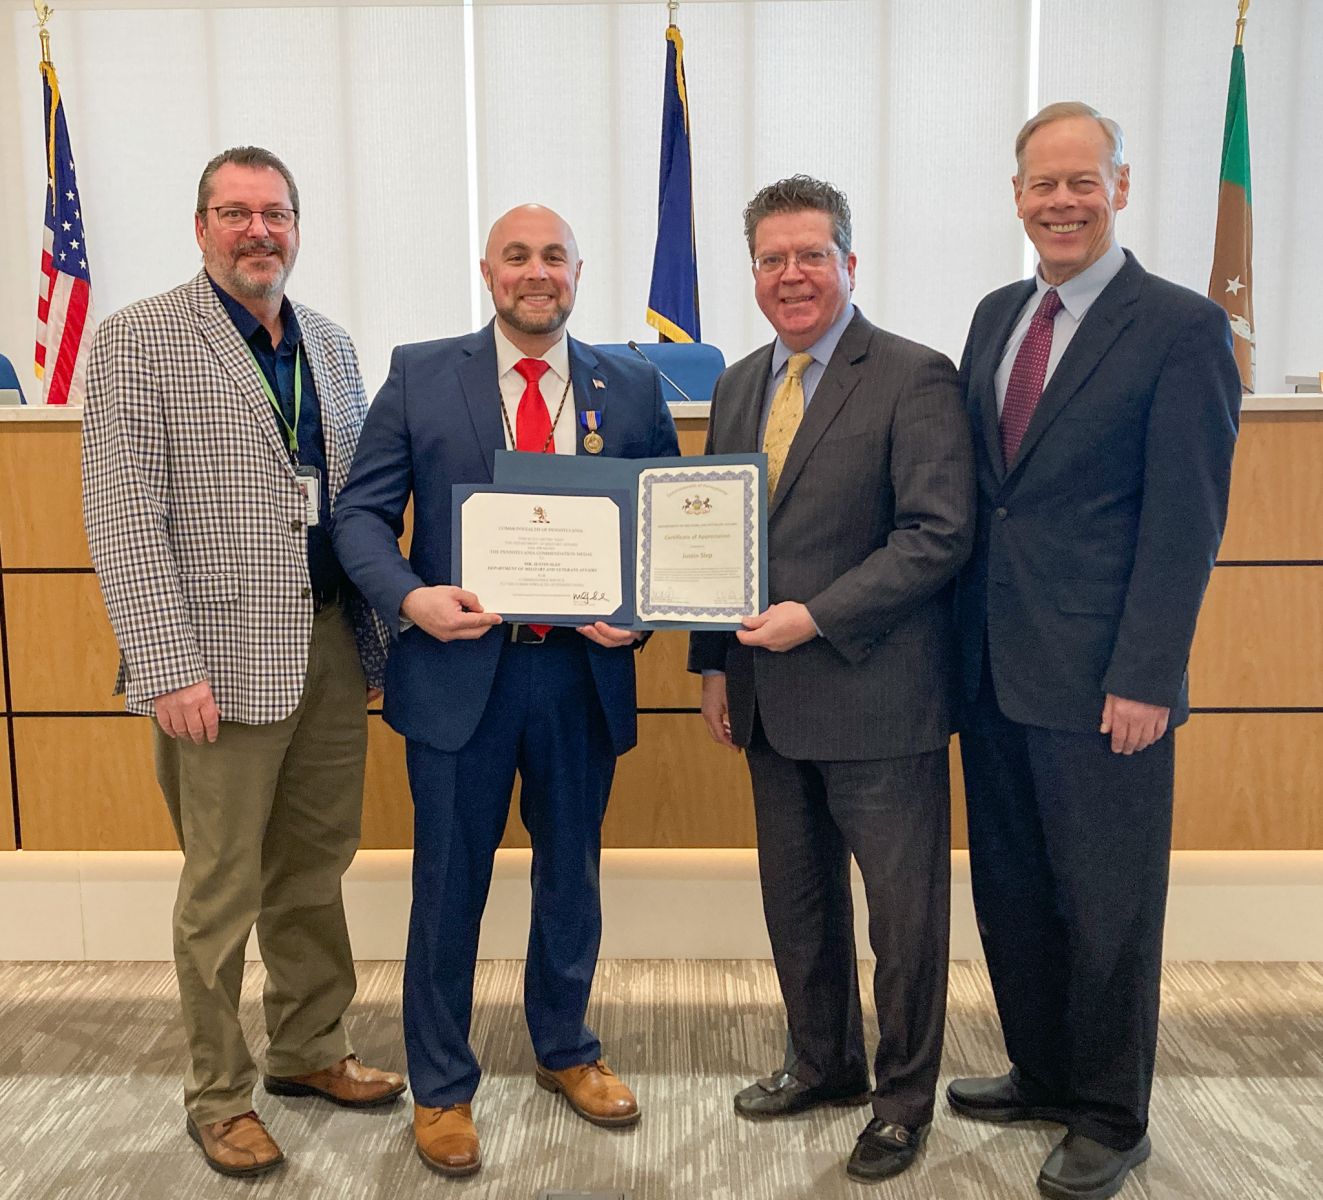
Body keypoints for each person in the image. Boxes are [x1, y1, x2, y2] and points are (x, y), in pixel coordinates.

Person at [332, 204, 679, 1177]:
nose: (537, 272)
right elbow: (360, 516)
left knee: (573, 875)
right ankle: (443, 1085)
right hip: (458, 675)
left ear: (578, 271)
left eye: (554, 257)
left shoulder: (633, 384)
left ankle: (565, 1048)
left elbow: (669, 527)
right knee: (450, 889)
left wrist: (642, 611)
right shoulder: (420, 373)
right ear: (488, 271)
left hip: (578, 677)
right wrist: (412, 599)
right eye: (517, 256)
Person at [81, 146, 404, 1178]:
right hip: (210, 660)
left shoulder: (334, 345)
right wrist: (164, 662)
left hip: (326, 643)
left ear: (298, 227)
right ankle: (218, 1092)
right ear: (201, 227)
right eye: (235, 213)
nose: (257, 230)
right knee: (222, 887)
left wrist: (380, 649)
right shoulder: (137, 340)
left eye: (275, 213)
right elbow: (123, 519)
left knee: (314, 867)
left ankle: (308, 1050)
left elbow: (356, 508)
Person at [950, 102, 1240, 1200]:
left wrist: (1148, 675)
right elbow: (993, 500)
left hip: (1105, 683)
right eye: (1041, 184)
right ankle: (1042, 1071)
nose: (1061, 202)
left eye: (1083, 181)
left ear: (1120, 187)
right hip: (993, 672)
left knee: (1110, 903)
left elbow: (1186, 521)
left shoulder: (1179, 327)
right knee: (1016, 891)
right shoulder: (994, 318)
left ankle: (1113, 1115)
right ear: (1016, 196)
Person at [688, 175, 974, 1183]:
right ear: (754, 273)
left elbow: (936, 534)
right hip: (766, 702)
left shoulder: (912, 375)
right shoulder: (735, 384)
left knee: (903, 921)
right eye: (774, 258)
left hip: (877, 694)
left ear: (852, 263)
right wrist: (713, 665)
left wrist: (819, 615)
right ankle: (823, 1064)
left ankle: (902, 1101)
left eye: (813, 254)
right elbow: (712, 543)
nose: (794, 273)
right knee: (797, 901)